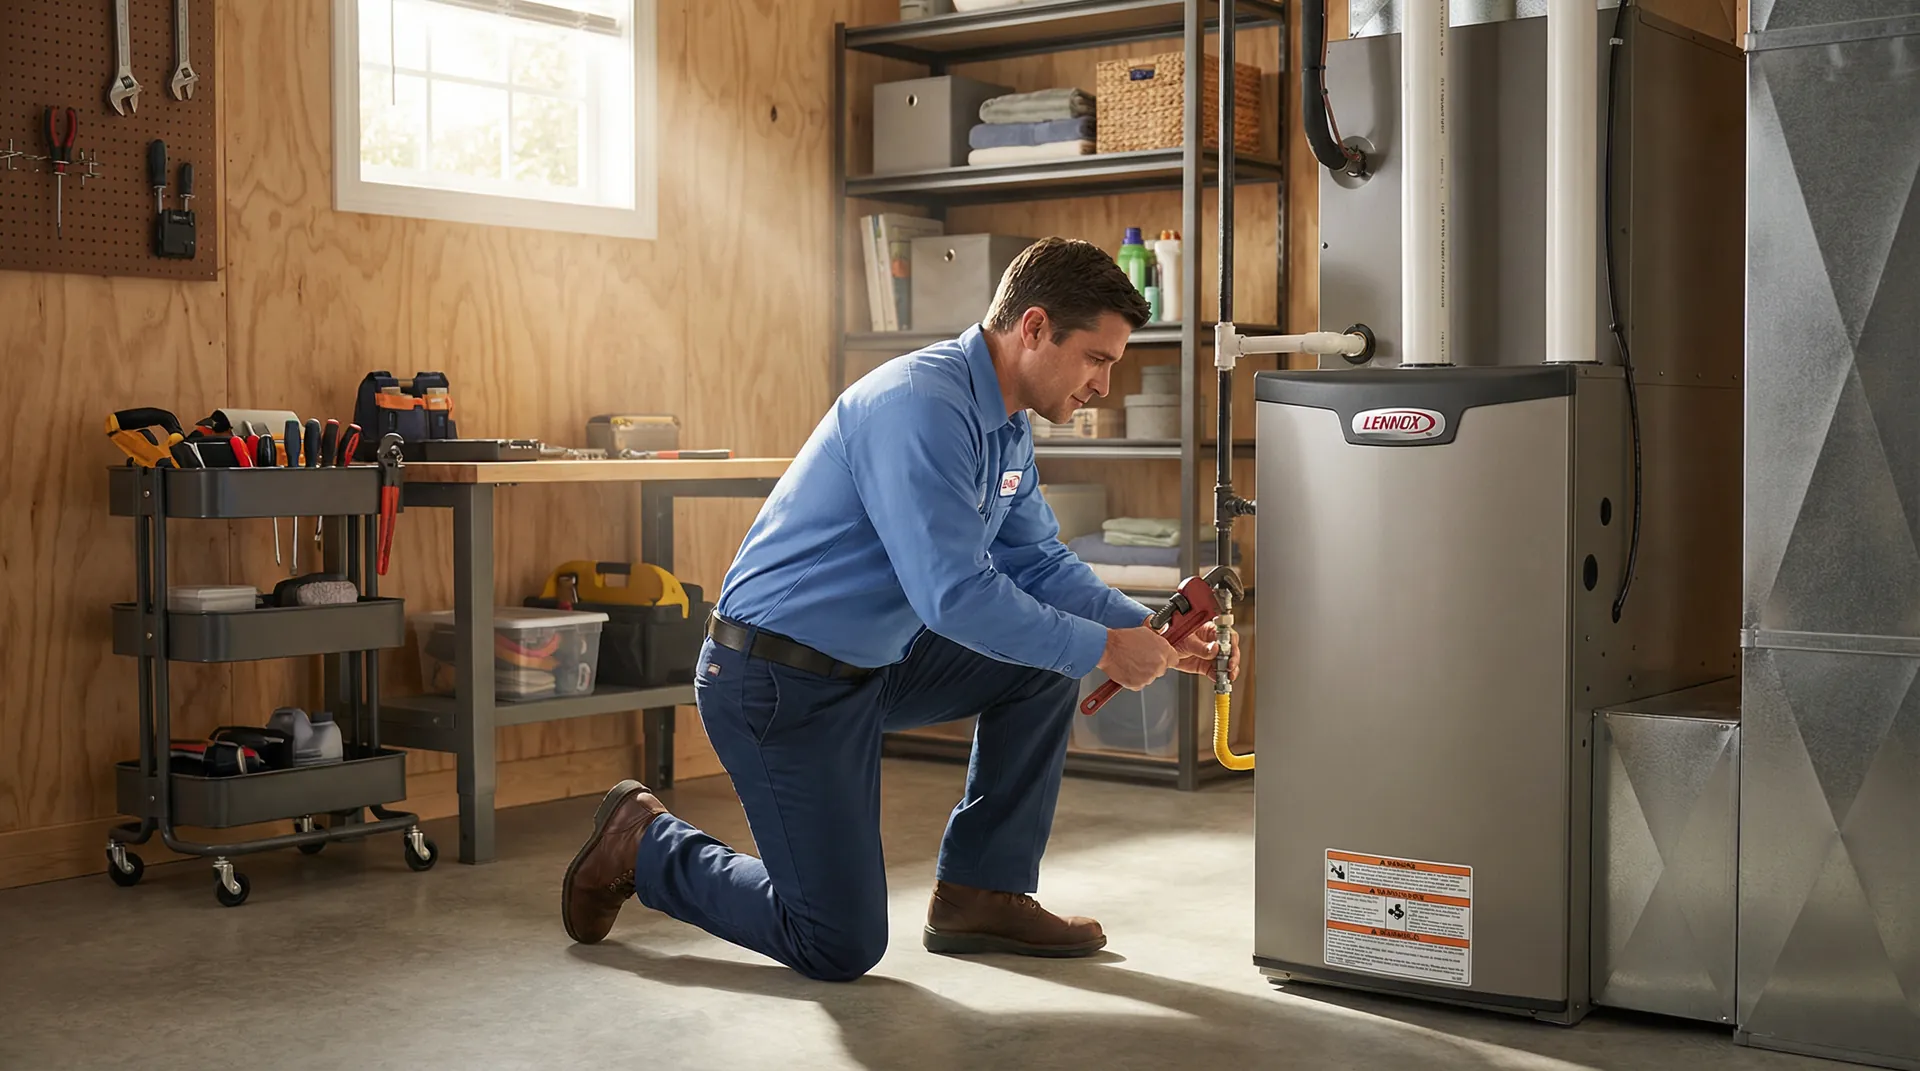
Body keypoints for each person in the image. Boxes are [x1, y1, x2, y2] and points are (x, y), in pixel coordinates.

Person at [560, 236, 1239, 982]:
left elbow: (1037, 561)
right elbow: (954, 595)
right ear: (1035, 327)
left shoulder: (1007, 425)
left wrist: (1140, 630)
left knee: (1040, 663)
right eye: (1098, 359)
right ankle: (644, 844)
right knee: (837, 942)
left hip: (875, 661)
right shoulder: (921, 405)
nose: (1104, 385)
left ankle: (981, 890)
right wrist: (1104, 650)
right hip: (777, 678)